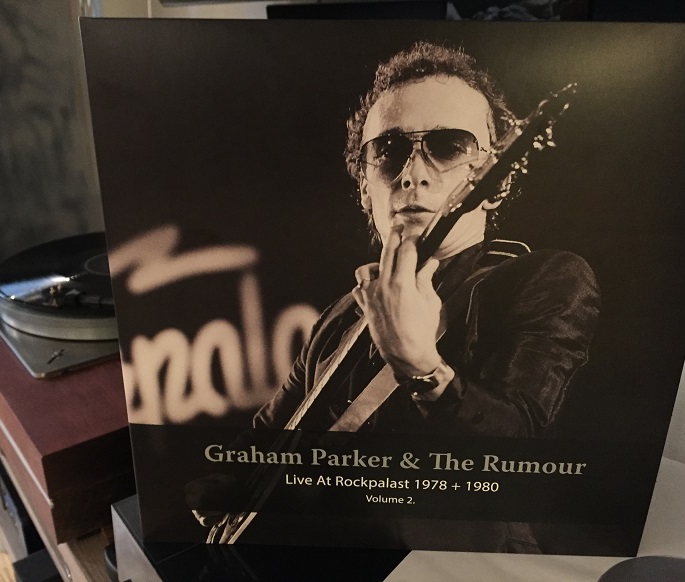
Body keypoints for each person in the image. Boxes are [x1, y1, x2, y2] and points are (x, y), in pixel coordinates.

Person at [190, 41, 601, 552]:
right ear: (366, 188)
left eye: (449, 146)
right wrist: (225, 482)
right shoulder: (343, 313)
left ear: (494, 182)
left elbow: (518, 454)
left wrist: (421, 367)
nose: (412, 173)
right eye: (387, 151)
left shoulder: (547, 279)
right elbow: (269, 433)